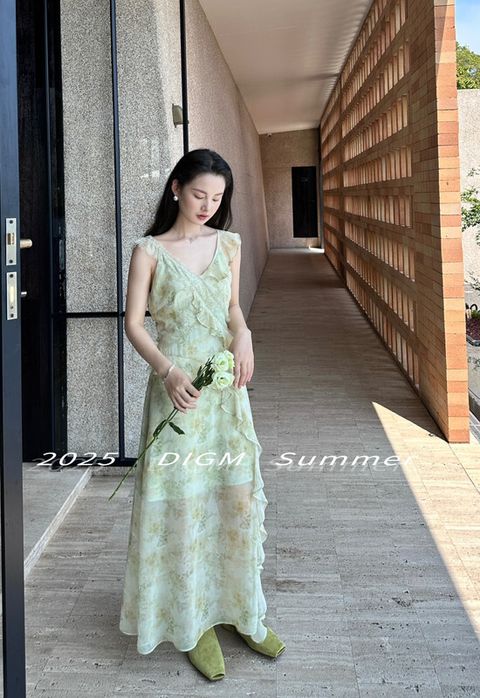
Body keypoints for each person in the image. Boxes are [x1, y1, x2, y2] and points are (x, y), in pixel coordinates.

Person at [118, 148, 285, 681]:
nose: (208, 205)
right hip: (178, 394)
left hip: (224, 393)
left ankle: (243, 610)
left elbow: (232, 308)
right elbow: (134, 323)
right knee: (183, 504)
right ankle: (194, 623)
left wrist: (245, 334)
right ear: (175, 188)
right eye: (198, 194)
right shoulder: (149, 251)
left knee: (233, 497)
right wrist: (167, 371)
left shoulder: (229, 244)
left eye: (217, 197)